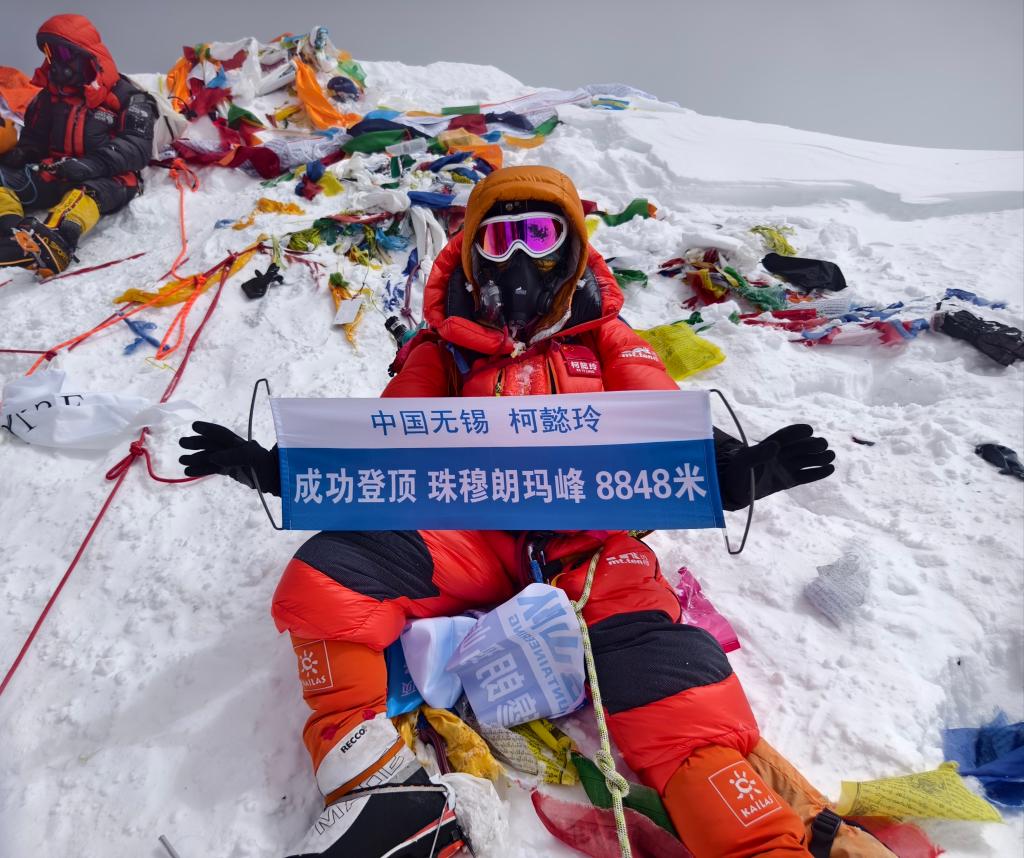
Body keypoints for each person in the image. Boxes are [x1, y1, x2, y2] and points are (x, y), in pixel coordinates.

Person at [181, 166, 842, 857]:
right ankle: (374, 785)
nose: (521, 257)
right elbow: (383, 447)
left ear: (571, 249)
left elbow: (662, 425)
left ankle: (751, 837)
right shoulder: (441, 351)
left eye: (540, 235)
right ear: (473, 256)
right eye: (499, 240)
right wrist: (279, 471)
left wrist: (733, 469)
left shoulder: (607, 341)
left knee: (660, 670)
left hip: (591, 544)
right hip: (474, 535)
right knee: (330, 575)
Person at [0, 14, 156, 277]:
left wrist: (89, 165)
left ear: (85, 54)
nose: (56, 62)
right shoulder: (49, 98)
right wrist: (24, 153)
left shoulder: (128, 97)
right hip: (57, 172)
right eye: (50, 54)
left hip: (109, 176)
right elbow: (35, 139)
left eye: (62, 53)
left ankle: (60, 240)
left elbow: (137, 147)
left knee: (85, 194)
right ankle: (14, 234)